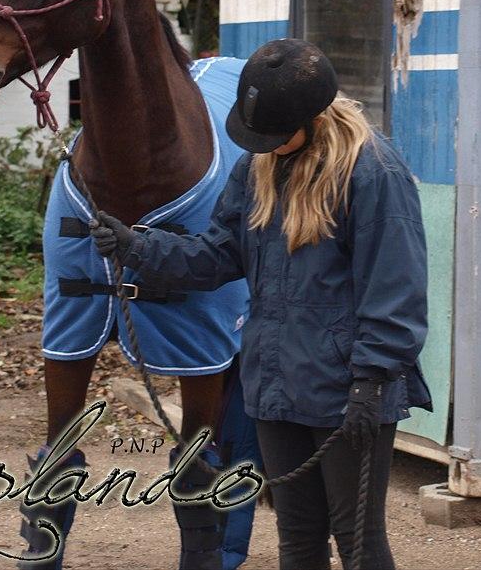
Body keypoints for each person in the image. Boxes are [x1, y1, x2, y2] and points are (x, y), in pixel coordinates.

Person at [90, 38, 432, 570]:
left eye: (275, 135)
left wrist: (372, 378)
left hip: (348, 389)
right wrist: (139, 245)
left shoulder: (372, 172)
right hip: (275, 386)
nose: (264, 145)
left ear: (314, 118)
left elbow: (397, 288)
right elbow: (216, 256)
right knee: (297, 537)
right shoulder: (257, 169)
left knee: (358, 542)